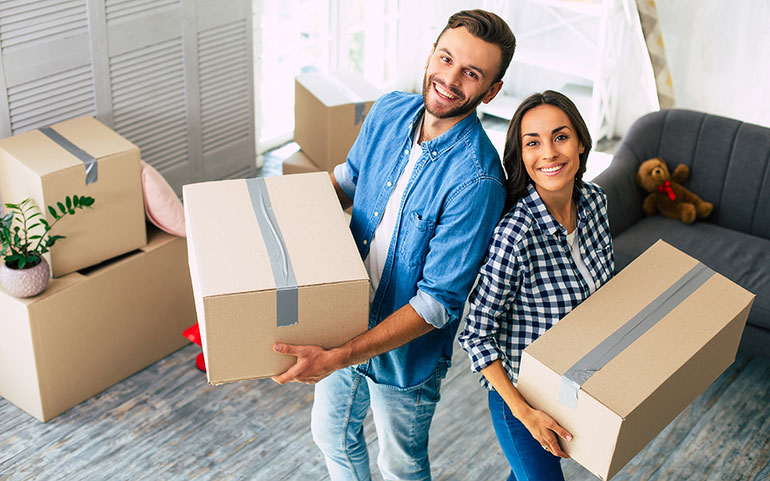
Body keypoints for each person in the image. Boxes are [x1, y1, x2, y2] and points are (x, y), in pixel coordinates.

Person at [270, 9, 516, 481]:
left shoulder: (478, 180)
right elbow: (347, 181)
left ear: (491, 90)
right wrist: (267, 211)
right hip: (340, 317)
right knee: (332, 438)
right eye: (446, 58)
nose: (449, 79)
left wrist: (342, 355)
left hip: (404, 356)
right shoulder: (387, 112)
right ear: (431, 53)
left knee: (400, 467)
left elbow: (437, 304)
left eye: (471, 73)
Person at [458, 90, 615, 481]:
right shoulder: (517, 232)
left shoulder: (595, 202)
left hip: (573, 385)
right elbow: (476, 334)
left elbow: (607, 293)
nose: (549, 153)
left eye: (560, 137)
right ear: (521, 154)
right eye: (533, 142)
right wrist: (523, 411)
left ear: (580, 142)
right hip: (521, 397)